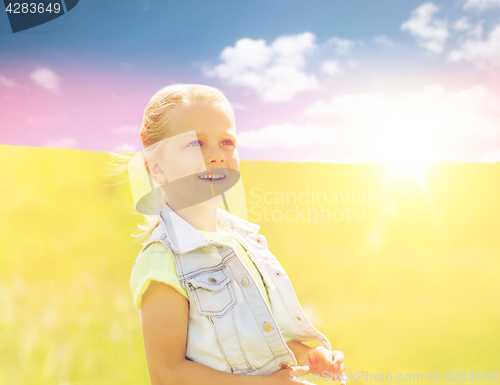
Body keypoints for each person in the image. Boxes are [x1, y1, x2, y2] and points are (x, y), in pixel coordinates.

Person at [112, 84, 346, 385]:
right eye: (195, 144)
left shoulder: (245, 243)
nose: (216, 155)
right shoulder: (163, 261)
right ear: (156, 167)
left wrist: (304, 355)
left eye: (226, 142)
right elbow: (167, 374)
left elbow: (258, 335)